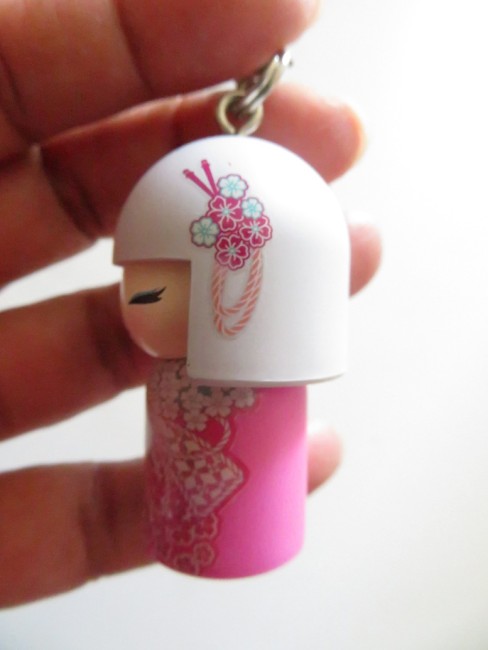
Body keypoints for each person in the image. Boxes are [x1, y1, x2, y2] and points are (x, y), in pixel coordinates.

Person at [0, 0, 381, 608]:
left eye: (160, 284)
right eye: (141, 285)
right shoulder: (173, 361)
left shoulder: (264, 319)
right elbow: (158, 310)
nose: (145, 303)